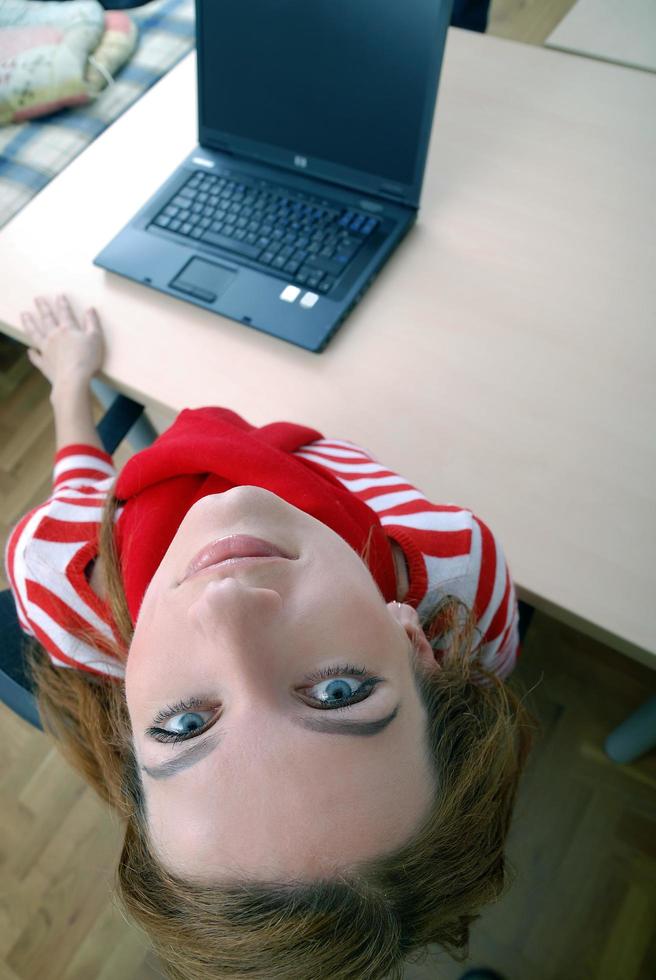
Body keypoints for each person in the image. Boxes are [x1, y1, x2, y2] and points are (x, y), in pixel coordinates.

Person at [5, 295, 535, 980]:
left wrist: (70, 382)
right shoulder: (457, 570)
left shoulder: (59, 575)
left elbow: (80, 488)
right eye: (338, 691)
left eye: (186, 722)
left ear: (126, 725)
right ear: (417, 644)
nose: (227, 609)